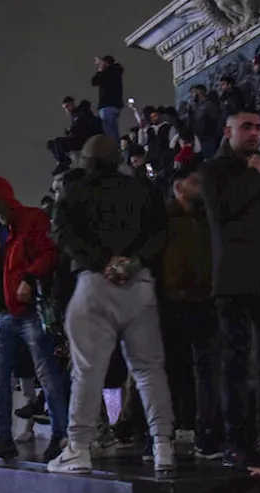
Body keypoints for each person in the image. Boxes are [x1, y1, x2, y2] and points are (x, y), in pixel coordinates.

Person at [48, 134, 174, 474]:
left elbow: (62, 232)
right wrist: (132, 262)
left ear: (86, 161)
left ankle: (79, 450)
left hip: (94, 284)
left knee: (87, 371)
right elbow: (162, 232)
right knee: (149, 370)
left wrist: (101, 261)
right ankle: (163, 446)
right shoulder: (143, 190)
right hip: (139, 283)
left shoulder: (74, 191)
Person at [198, 109, 260, 467]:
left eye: (259, 127)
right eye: (247, 128)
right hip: (236, 278)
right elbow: (221, 212)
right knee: (235, 364)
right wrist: (252, 177)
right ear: (229, 131)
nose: (255, 133)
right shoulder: (213, 171)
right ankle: (236, 439)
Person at [0, 175, 69, 464]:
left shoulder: (32, 219)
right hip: (5, 314)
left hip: (31, 311)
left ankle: (60, 436)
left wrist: (29, 277)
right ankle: (2, 439)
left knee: (46, 374)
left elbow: (50, 253)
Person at [156, 167, 224, 458]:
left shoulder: (207, 218)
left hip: (205, 300)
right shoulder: (163, 218)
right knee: (173, 368)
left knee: (207, 369)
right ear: (178, 186)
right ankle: (170, 430)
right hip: (172, 302)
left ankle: (205, 430)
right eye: (194, 182)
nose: (201, 188)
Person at [48, 97, 104, 175]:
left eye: (68, 106)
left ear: (73, 104)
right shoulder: (75, 115)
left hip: (83, 140)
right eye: (65, 108)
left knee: (58, 141)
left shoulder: (82, 113)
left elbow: (83, 127)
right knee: (50, 144)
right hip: (77, 138)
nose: (67, 109)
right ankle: (63, 161)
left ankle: (64, 162)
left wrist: (72, 129)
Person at [180, 84, 223, 160]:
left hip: (210, 139)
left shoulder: (209, 105)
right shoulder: (196, 108)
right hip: (200, 141)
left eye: (193, 92)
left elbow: (217, 120)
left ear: (199, 92)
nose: (191, 95)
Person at [92, 55, 125, 138]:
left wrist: (100, 70)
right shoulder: (116, 71)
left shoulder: (108, 72)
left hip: (107, 105)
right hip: (115, 106)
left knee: (108, 132)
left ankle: (112, 149)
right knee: (114, 130)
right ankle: (117, 148)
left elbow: (95, 81)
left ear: (106, 63)